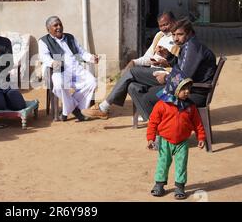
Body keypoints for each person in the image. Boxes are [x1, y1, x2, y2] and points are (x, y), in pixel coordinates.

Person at [82, 12, 178, 119]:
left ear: (174, 22)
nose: (163, 28)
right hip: (152, 71)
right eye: (161, 25)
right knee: (132, 86)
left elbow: (178, 62)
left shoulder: (178, 37)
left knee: (131, 72)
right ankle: (149, 115)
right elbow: (148, 57)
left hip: (165, 74)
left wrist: (165, 62)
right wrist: (135, 62)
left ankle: (104, 107)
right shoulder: (159, 35)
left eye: (166, 24)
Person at [133, 18, 217, 121]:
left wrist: (166, 78)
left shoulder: (192, 48)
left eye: (180, 34)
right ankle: (166, 126)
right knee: (144, 89)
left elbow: (184, 76)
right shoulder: (189, 44)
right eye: (173, 35)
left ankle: (167, 129)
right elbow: (183, 66)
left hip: (192, 96)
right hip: (187, 90)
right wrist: (169, 57)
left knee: (148, 97)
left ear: (190, 33)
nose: (176, 39)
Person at [147, 68, 206, 200]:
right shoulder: (162, 105)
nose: (187, 92)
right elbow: (152, 123)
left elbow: (198, 124)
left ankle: (180, 187)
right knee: (163, 162)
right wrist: (151, 138)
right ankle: (159, 185)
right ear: (174, 88)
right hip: (164, 141)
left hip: (183, 142)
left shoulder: (190, 106)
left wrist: (201, 137)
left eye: (189, 89)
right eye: (183, 89)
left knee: (181, 164)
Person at [38, 16, 98, 121]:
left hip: (75, 68)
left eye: (60, 24)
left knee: (92, 82)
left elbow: (81, 52)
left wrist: (91, 58)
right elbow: (44, 57)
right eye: (55, 25)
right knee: (58, 84)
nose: (59, 27)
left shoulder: (70, 37)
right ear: (48, 29)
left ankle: (67, 110)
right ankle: (77, 111)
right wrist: (52, 62)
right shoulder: (44, 41)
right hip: (59, 69)